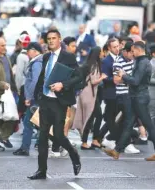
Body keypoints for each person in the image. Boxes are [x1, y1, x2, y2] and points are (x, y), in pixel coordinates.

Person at [28, 29, 81, 180]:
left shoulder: (68, 57)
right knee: (42, 136)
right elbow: (42, 77)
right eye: (49, 39)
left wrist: (62, 85)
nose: (51, 41)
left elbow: (79, 77)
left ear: (59, 39)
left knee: (58, 135)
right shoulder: (45, 57)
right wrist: (37, 95)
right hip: (45, 100)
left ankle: (73, 153)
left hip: (59, 102)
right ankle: (41, 170)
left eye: (54, 38)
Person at [108, 41, 155, 161]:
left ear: (138, 50)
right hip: (136, 97)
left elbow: (135, 81)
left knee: (149, 126)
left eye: (133, 51)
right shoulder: (140, 61)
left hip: (140, 98)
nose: (132, 53)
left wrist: (123, 75)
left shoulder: (142, 62)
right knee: (129, 124)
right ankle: (117, 151)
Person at [13, 42, 43, 156]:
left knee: (29, 122)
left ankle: (25, 148)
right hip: (36, 97)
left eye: (29, 51)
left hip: (34, 98)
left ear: (34, 51)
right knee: (35, 122)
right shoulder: (38, 62)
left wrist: (29, 97)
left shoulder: (36, 63)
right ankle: (30, 146)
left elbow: (34, 81)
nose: (28, 53)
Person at [73, 46, 106, 150]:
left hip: (88, 94)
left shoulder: (90, 64)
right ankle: (85, 142)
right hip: (89, 94)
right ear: (97, 54)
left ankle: (94, 140)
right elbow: (93, 81)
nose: (102, 54)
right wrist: (102, 77)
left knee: (95, 116)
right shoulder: (94, 66)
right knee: (90, 117)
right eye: (101, 52)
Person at [99, 38, 119, 149]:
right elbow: (105, 78)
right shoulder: (106, 61)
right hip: (110, 93)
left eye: (118, 46)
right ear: (110, 48)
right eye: (114, 47)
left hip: (120, 92)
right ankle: (112, 138)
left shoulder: (120, 58)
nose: (117, 49)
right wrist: (116, 79)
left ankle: (102, 137)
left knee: (112, 117)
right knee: (110, 117)